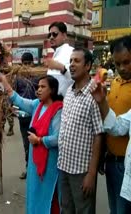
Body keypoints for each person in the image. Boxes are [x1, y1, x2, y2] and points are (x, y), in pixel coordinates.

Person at [0, 74, 62, 213]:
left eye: (43, 87)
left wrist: (39, 140)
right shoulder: (36, 105)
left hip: (49, 162)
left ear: (52, 90)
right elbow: (19, 100)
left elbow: (58, 138)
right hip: (35, 162)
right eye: (38, 86)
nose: (38, 90)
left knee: (48, 196)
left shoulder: (58, 110)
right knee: (33, 192)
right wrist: (5, 83)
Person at [57, 48, 104, 213]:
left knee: (84, 210)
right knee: (66, 209)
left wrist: (91, 174)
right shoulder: (69, 92)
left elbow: (99, 136)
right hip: (64, 165)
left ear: (88, 66)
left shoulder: (95, 94)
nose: (71, 65)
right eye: (70, 61)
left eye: (76, 61)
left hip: (82, 171)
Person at [94, 35, 131, 213]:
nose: (122, 68)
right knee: (114, 209)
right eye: (118, 64)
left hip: (127, 163)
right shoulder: (114, 83)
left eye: (127, 62)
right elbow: (112, 123)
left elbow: (121, 127)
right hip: (112, 160)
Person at [15, 52, 38, 179]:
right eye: (25, 63)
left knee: (37, 144)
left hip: (36, 116)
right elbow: (15, 94)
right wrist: (13, 108)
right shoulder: (19, 78)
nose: (27, 66)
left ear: (33, 63)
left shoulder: (39, 76)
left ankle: (35, 170)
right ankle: (28, 169)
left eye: (29, 63)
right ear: (22, 64)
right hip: (23, 117)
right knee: (26, 144)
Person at [45, 21, 74, 96]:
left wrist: (61, 68)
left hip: (66, 103)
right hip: (53, 103)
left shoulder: (71, 52)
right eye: (49, 35)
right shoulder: (55, 55)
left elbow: (77, 78)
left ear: (64, 36)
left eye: (54, 34)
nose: (51, 37)